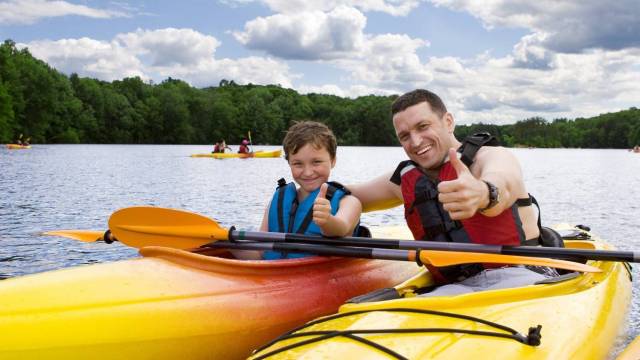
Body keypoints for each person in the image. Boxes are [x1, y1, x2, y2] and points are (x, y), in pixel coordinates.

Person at [348, 89, 558, 296]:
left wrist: (483, 193)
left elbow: (504, 182)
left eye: (423, 127)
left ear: (448, 122)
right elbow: (351, 194)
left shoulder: (490, 157)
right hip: (454, 289)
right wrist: (317, 175)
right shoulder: (403, 180)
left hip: (521, 278)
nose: (416, 142)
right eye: (404, 136)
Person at [257, 121, 364, 260]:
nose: (307, 172)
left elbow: (342, 227)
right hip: (274, 275)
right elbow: (259, 252)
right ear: (289, 163)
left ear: (333, 160)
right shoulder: (276, 201)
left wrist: (327, 221)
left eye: (316, 162)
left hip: (325, 277)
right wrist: (225, 241)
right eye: (298, 164)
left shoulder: (350, 203)